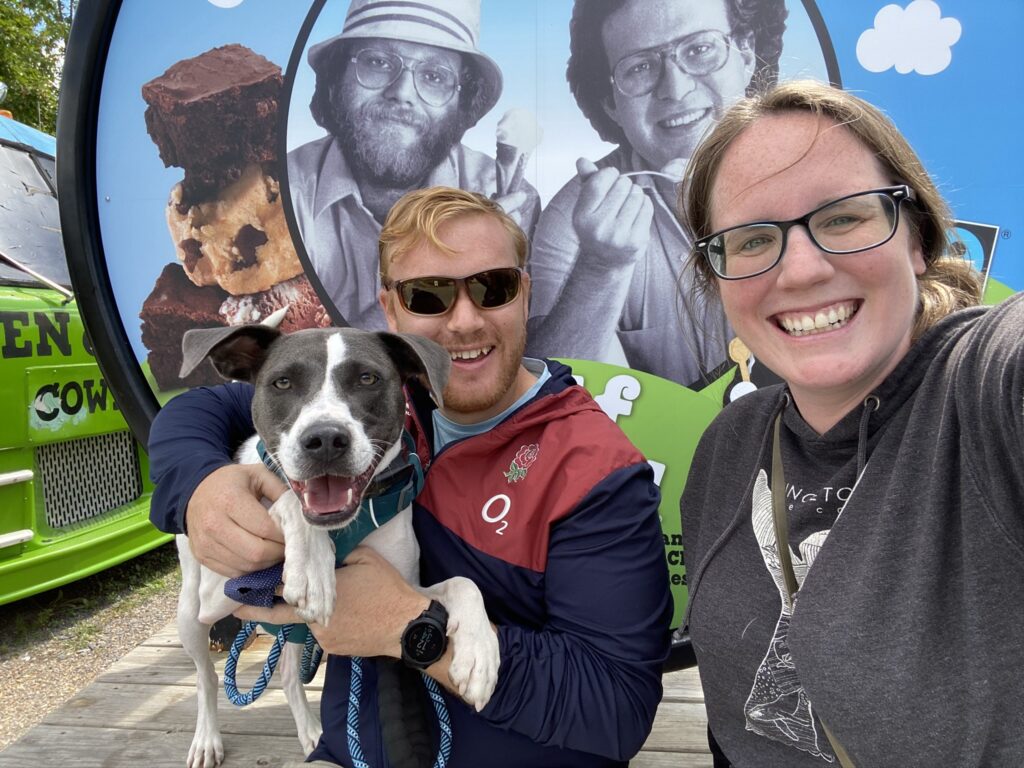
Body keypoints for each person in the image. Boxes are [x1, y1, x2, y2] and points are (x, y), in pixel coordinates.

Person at [148, 186, 672, 767]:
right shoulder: (379, 394)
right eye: (429, 295)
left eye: (492, 287)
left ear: (525, 294)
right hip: (350, 750)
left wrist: (409, 629)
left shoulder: (594, 469)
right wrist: (197, 483)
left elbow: (616, 710)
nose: (465, 320)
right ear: (392, 310)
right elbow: (194, 412)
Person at [678, 80, 1024, 766]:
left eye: (843, 218)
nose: (802, 269)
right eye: (751, 239)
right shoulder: (729, 448)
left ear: (919, 240)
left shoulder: (985, 390)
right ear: (717, 278)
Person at [526, 0, 786, 388]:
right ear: (611, 103)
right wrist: (601, 268)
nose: (675, 89)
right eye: (640, 67)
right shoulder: (578, 219)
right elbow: (551, 400)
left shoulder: (815, 168)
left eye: (699, 49)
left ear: (746, 54)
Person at [288, 0, 540, 330]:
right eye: (378, 62)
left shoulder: (508, 205)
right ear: (335, 80)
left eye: (435, 76)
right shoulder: (283, 196)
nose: (402, 92)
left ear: (462, 103)